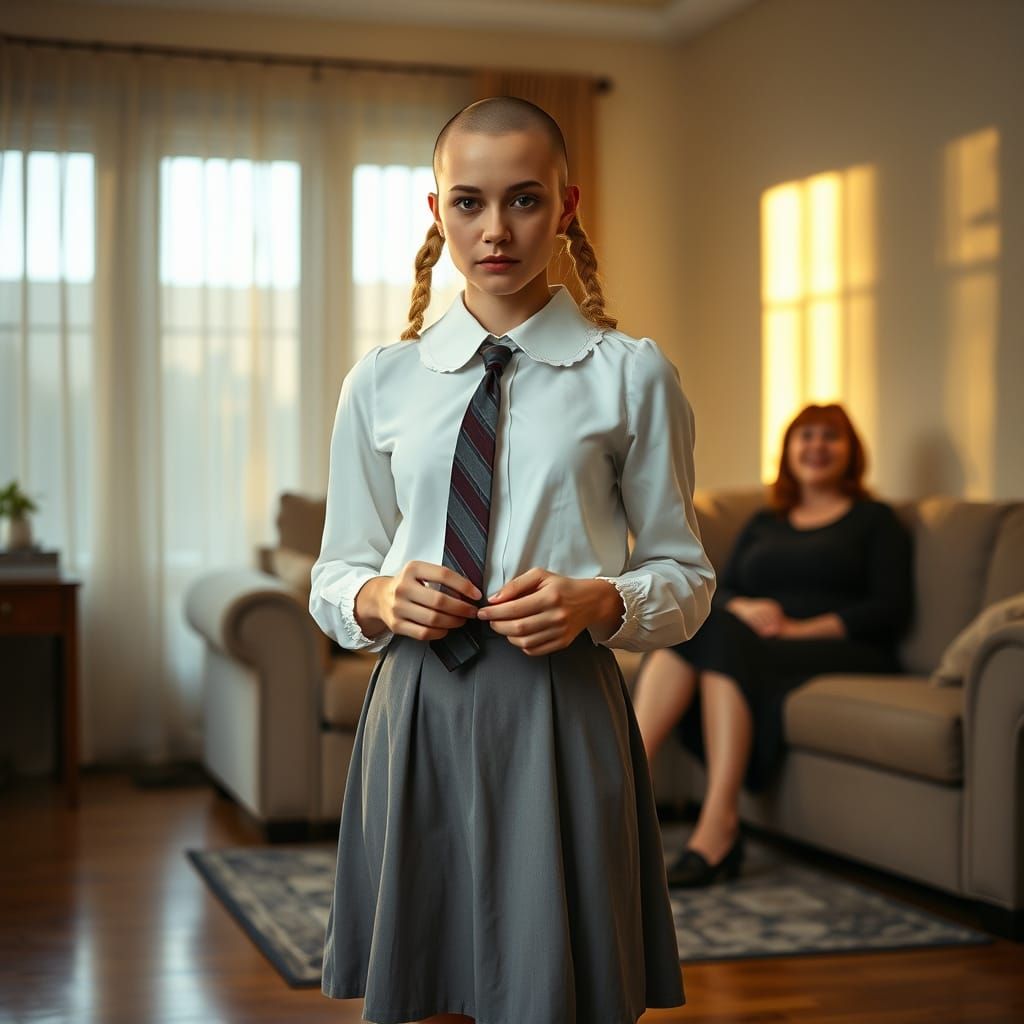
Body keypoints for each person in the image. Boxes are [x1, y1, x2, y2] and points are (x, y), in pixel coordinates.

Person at [308, 96, 716, 1024]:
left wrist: (602, 603)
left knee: (557, 987)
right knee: (428, 980)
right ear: (436, 210)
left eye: (525, 200)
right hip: (417, 708)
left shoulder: (630, 374)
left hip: (560, 706)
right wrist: (378, 596)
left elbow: (686, 579)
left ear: (567, 206)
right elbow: (334, 574)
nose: (496, 230)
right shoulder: (380, 381)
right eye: (470, 202)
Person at [632, 402, 914, 889]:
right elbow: (720, 586)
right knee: (705, 634)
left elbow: (889, 608)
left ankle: (711, 821)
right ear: (788, 452)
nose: (817, 447)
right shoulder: (766, 522)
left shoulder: (875, 520)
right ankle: (631, 788)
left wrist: (802, 629)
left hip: (842, 649)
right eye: (805, 437)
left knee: (718, 639)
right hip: (755, 643)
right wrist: (741, 609)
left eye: (831, 437)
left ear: (852, 451)